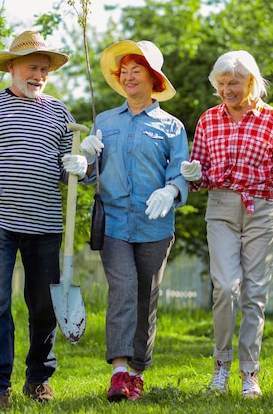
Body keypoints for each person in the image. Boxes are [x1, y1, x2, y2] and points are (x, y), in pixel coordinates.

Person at [0, 30, 89, 410]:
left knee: (43, 305)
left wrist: (83, 165)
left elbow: (73, 174)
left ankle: (38, 379)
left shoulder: (59, 112)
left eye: (45, 69)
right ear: (11, 66)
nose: (39, 75)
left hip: (45, 224)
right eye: (32, 67)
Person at [180, 50, 273, 398]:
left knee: (254, 294)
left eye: (233, 82)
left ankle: (250, 373)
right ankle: (220, 367)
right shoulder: (208, 120)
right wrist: (192, 173)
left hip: (262, 208)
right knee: (225, 288)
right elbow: (199, 178)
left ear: (251, 81)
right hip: (221, 206)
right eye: (221, 83)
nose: (226, 89)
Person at [78, 40, 189, 402]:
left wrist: (172, 191)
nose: (127, 77)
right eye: (123, 71)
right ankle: (118, 372)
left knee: (147, 297)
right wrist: (84, 164)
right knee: (123, 289)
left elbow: (182, 174)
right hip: (113, 223)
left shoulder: (172, 127)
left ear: (153, 78)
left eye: (135, 71)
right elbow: (92, 174)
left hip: (155, 227)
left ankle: (138, 371)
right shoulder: (105, 121)